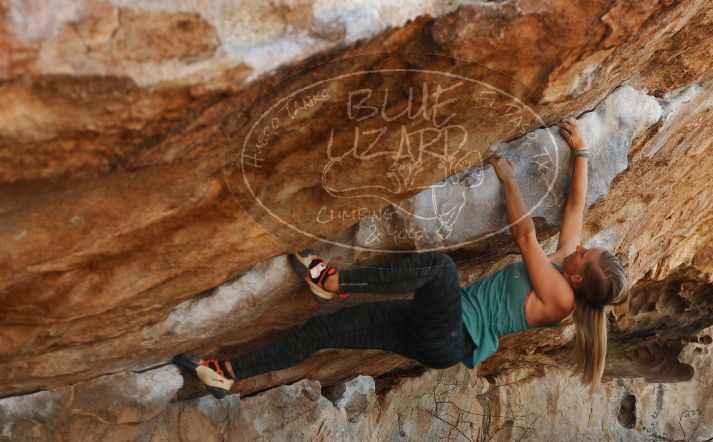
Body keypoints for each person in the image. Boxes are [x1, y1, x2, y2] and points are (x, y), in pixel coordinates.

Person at [174, 118, 628, 398]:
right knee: (322, 331)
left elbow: (527, 238)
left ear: (575, 280)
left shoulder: (560, 301)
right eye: (588, 247)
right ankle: (227, 374)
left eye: (587, 255)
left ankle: (332, 283)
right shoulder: (568, 265)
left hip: (452, 335)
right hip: (431, 326)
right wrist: (581, 150)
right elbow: (574, 206)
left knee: (439, 268)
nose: (583, 247)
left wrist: (508, 179)